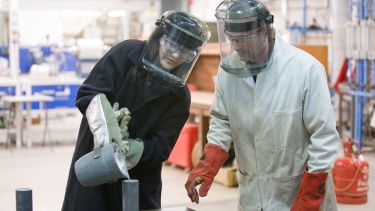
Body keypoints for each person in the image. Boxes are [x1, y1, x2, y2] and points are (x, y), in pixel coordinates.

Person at [185, 0, 339, 210]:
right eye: (232, 40)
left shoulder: (305, 70)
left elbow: (324, 137)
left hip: (297, 194)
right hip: (252, 196)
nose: (237, 47)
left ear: (265, 31)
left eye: (244, 40)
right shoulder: (228, 71)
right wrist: (207, 165)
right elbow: (222, 120)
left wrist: (310, 195)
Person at [62, 10, 210, 211]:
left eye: (183, 51)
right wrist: (107, 127)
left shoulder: (179, 96)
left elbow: (161, 148)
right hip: (94, 164)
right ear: (160, 36)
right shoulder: (126, 53)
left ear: (191, 56)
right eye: (171, 44)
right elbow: (88, 94)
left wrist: (129, 149)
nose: (175, 54)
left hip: (139, 180)